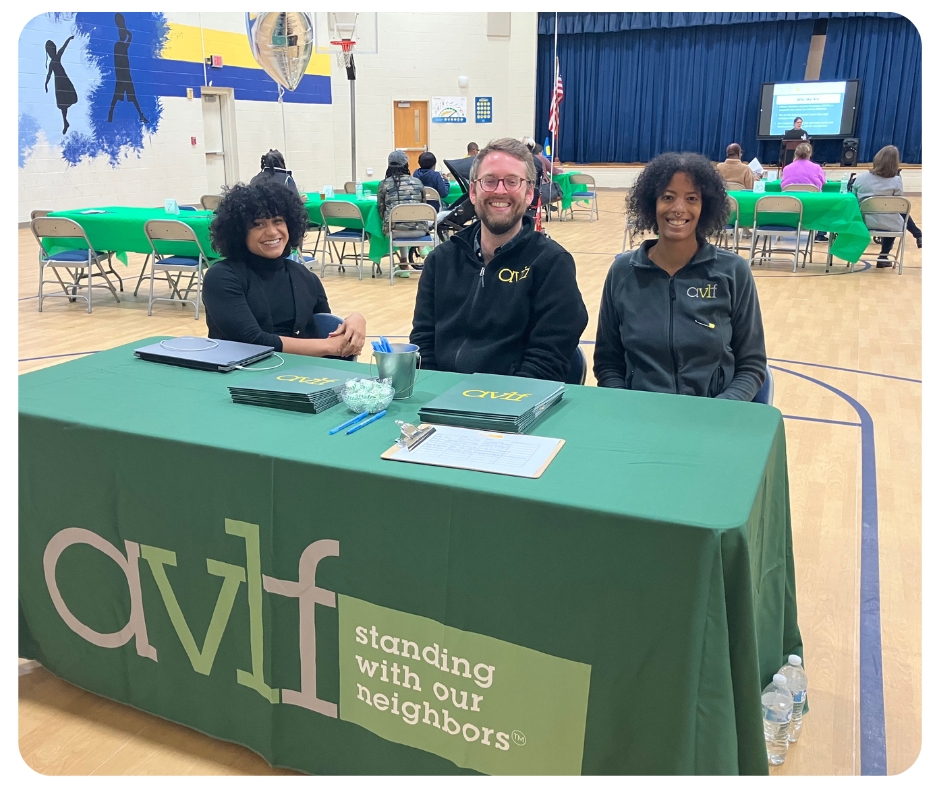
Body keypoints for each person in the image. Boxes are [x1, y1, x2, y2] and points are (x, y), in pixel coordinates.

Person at [409, 137, 588, 382]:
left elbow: (547, 361)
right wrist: (435, 396)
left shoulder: (552, 265)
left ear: (529, 194)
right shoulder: (441, 261)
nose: (500, 191)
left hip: (514, 406)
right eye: (489, 181)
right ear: (473, 192)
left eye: (512, 182)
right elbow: (423, 344)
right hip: (440, 404)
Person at [594, 152, 766, 401]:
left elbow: (751, 365)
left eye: (692, 198)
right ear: (651, 204)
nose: (678, 208)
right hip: (639, 417)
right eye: (668, 197)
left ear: (705, 206)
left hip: (713, 417)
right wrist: (627, 408)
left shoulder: (733, 272)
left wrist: (721, 410)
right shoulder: (622, 272)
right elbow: (608, 364)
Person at [202, 181, 365, 358]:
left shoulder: (306, 278)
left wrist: (355, 320)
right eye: (258, 224)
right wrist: (329, 346)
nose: (272, 232)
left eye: (278, 221)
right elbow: (251, 341)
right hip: (240, 377)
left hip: (301, 377)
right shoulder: (222, 277)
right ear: (240, 232)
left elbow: (324, 331)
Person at [852, 144, 922, 267]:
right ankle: (884, 255)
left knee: (892, 215)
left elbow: (853, 199)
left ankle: (918, 234)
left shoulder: (861, 178)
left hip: (864, 222)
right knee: (896, 216)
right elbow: (899, 205)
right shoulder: (896, 181)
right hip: (889, 224)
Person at [377, 150, 429, 274]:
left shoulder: (384, 184)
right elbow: (424, 206)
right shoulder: (417, 182)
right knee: (406, 222)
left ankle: (404, 264)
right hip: (420, 231)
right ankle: (418, 252)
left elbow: (381, 210)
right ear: (406, 164)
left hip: (395, 232)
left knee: (398, 223)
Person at [107, 13, 148, 124]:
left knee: (130, 97)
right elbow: (130, 37)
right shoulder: (119, 46)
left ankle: (140, 115)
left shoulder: (120, 46)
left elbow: (129, 38)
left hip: (124, 75)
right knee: (120, 96)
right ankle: (111, 112)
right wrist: (126, 30)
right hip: (123, 76)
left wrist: (124, 29)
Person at [44, 37, 78, 135]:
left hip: (63, 80)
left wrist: (69, 39)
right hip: (59, 83)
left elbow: (64, 47)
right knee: (63, 105)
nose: (50, 53)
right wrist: (46, 84)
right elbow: (49, 74)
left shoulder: (57, 56)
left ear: (53, 50)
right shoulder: (51, 63)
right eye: (49, 52)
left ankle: (65, 122)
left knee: (66, 102)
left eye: (51, 50)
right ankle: (65, 122)